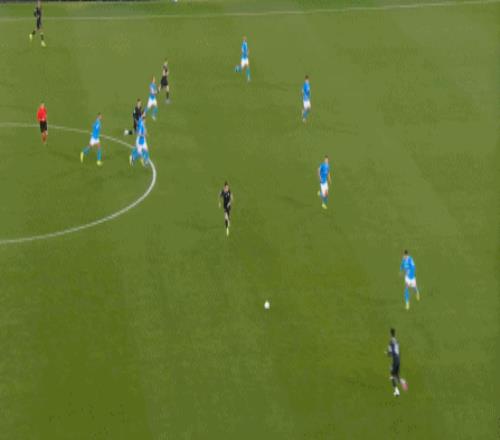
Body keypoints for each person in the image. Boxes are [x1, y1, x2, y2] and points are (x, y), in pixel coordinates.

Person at [386, 328, 407, 397]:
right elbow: (396, 351)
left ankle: (397, 391)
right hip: (398, 360)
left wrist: (387, 353)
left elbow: (390, 353)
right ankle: (402, 381)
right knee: (396, 377)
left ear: (390, 334)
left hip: (395, 360)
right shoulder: (397, 341)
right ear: (395, 334)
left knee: (392, 376)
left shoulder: (390, 342)